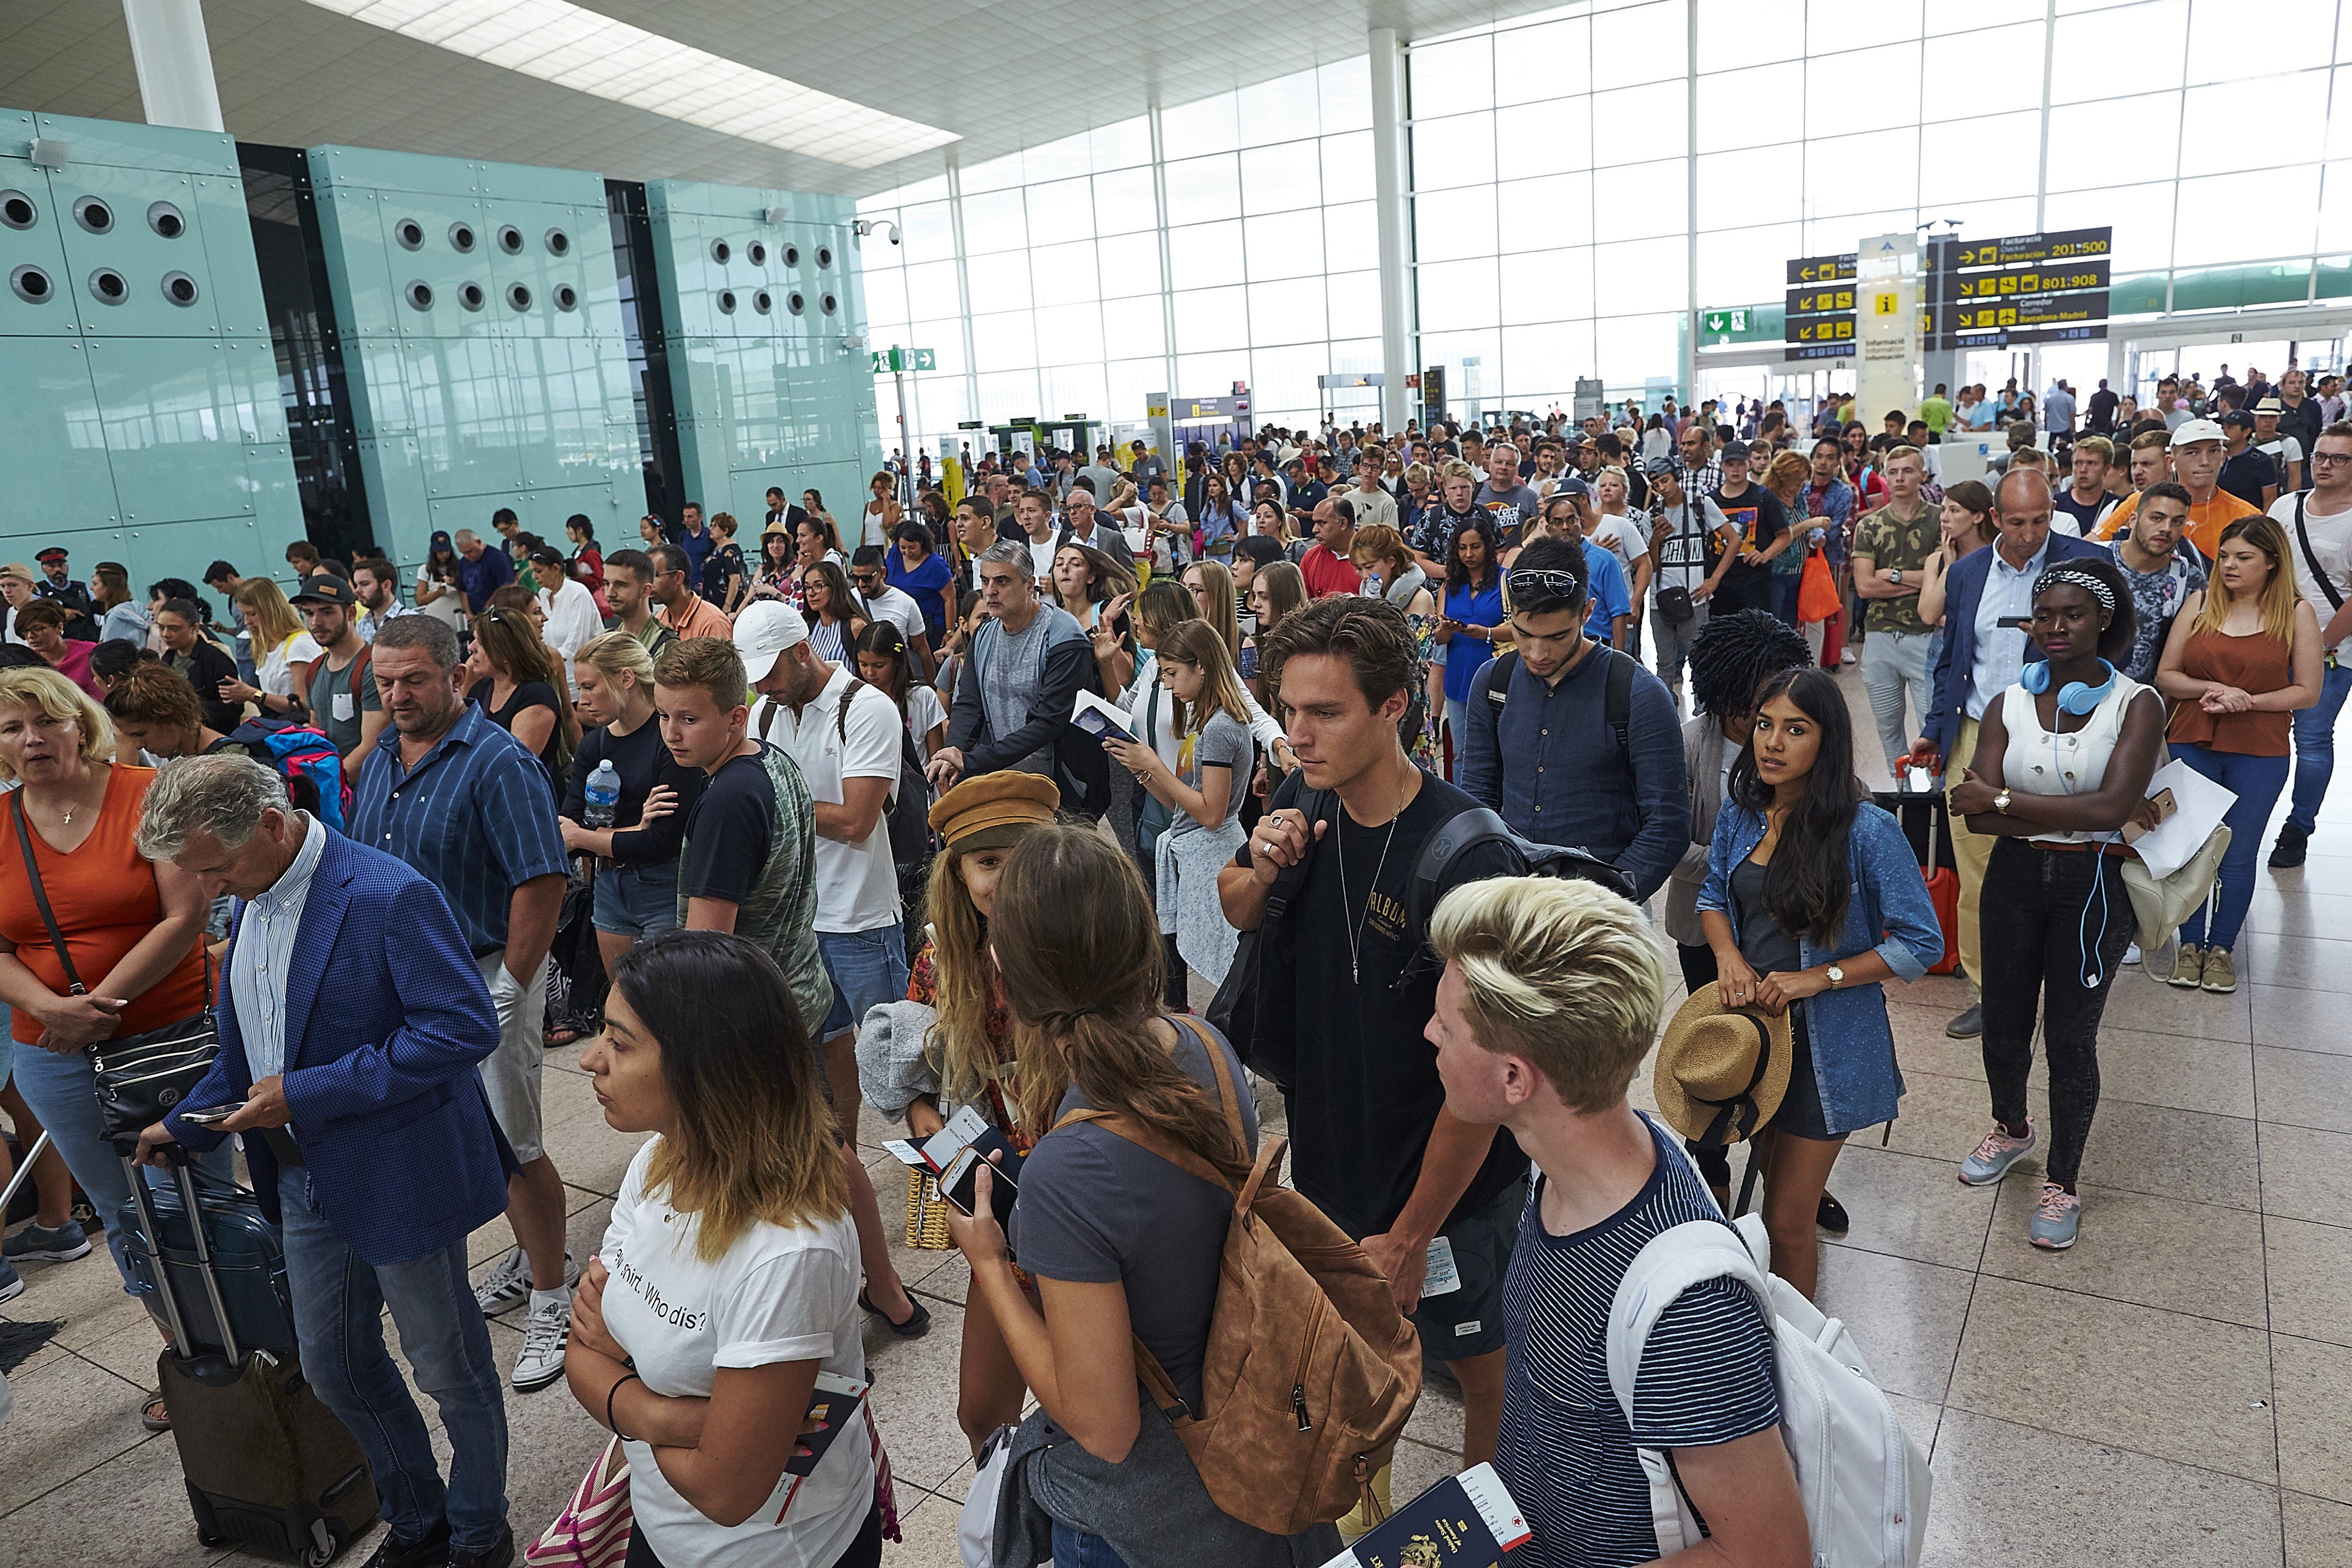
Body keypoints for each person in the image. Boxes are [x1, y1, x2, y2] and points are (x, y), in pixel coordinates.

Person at [132, 755, 517, 1568]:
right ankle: (419, 1518)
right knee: (337, 1368)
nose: (208, 890)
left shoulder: (387, 893)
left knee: (449, 1367)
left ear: (272, 824)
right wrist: (189, 1122)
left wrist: (304, 1092)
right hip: (300, 1173)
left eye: (218, 867)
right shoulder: (257, 896)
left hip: (398, 1169)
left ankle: (482, 1528)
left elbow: (460, 1028)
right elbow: (260, 1040)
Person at [949, 824, 1339, 1568]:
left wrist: (994, 1267)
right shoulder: (1207, 1047)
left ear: (1007, 968)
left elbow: (1105, 1428)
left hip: (1145, 1521)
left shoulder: (1066, 1170)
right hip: (1260, 1450)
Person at [1216, 597, 1527, 1474]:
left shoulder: (1468, 856)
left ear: (1394, 707)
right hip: (1331, 1154)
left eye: (1325, 711)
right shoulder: (1298, 798)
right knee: (1354, 1352)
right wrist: (1261, 858)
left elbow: (1488, 1080)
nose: (1298, 734)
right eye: (1288, 710)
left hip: (1443, 1184)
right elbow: (1237, 908)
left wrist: (1413, 1230)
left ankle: (1491, 1525)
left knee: (1479, 1363)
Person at [1423, 876, 1810, 1568]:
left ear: (1516, 1078)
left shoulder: (1689, 1311)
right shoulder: (1571, 1167)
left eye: (1447, 1027)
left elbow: (1768, 1556)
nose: (1430, 1035)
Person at [567, 931, 883, 1568]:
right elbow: (580, 1349)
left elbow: (727, 1489)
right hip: (660, 1528)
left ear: (706, 1068)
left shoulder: (789, 1251)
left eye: (620, 1044)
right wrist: (672, 1418)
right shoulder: (658, 1160)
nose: (590, 1060)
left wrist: (621, 1380)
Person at [350, 614, 575, 1391]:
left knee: (513, 1143)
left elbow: (541, 881)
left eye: (413, 678)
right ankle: (529, 1257)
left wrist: (512, 988)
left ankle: (556, 1296)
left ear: (457, 675)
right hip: (408, 981)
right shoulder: (384, 754)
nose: (396, 693)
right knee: (454, 1138)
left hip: (483, 975)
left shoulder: (499, 760)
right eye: (384, 679)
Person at [0, 669, 227, 1429]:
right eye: (11, 727)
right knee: (124, 1211)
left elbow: (186, 910)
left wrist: (100, 1005)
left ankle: (249, 1341)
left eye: (45, 720)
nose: (31, 738)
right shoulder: (0, 821)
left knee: (195, 1200)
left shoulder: (147, 792)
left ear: (80, 721)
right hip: (51, 1048)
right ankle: (190, 1354)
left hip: (167, 1035)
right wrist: (47, 1007)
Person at [1697, 668, 1943, 1296]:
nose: (1773, 743)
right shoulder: (1742, 811)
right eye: (1764, 726)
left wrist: (1819, 977)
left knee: (1787, 1219)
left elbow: (1921, 943)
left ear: (1828, 740)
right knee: (1765, 1198)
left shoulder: (1867, 830)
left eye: (1795, 730)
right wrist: (1726, 954)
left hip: (1829, 1049)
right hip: (1755, 1038)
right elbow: (1712, 897)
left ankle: (1802, 1363)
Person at [1948, 561, 2168, 1249]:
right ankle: (2013, 1130)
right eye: (2044, 615)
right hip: (2014, 875)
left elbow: (2113, 807)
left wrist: (2009, 800)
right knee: (2005, 1023)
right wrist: (2052, 814)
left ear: (2104, 621)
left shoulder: (2138, 703)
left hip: (2095, 884)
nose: (2054, 627)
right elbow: (1972, 816)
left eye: (2072, 614)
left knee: (2072, 1038)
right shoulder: (2007, 702)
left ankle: (2064, 1181)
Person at [734, 603, 930, 1339]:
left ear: (798, 652)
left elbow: (855, 817)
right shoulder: (769, 710)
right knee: (826, 1056)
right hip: (797, 917)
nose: (767, 690)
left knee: (901, 1064)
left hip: (859, 915)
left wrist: (775, 804)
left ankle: (939, 1191)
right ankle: (844, 1171)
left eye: (772, 674)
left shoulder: (868, 706)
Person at [859, 773, 1056, 1451]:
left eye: (1024, 855)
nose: (1006, 878)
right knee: (981, 1414)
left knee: (1104, 1403)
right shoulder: (942, 958)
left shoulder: (1086, 942)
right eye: (988, 861)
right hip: (999, 1197)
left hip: (1088, 1199)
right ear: (959, 871)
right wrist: (925, 1124)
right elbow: (914, 1067)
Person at [1908, 469, 2108, 1040]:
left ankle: (2062, 984)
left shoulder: (2081, 564)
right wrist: (1933, 729)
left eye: (2040, 520)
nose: (2028, 535)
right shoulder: (1968, 571)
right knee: (1977, 870)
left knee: (2057, 860)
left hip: (2058, 731)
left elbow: (2115, 647)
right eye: (2017, 522)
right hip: (1975, 732)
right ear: (1993, 518)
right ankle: (1987, 991)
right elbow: (1951, 658)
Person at [1460, 537, 1688, 902]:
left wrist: (1601, 905)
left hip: (1604, 913)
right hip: (1510, 899)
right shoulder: (1492, 682)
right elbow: (1477, 799)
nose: (1537, 653)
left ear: (1587, 612)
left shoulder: (1638, 693)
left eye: (1556, 636)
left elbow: (1667, 827)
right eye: (1523, 633)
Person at [2153, 517, 2323, 993]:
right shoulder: (2200, 603)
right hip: (2193, 738)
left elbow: (2307, 691)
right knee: (2190, 847)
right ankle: (2188, 946)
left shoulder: (2296, 613)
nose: (2228, 565)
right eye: (2224, 555)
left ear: (2271, 562)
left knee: (2237, 852)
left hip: (2259, 747)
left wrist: (2247, 700)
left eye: (2242, 557)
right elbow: (2167, 675)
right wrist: (2212, 688)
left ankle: (2221, 948)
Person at [1104, 619, 1254, 1002]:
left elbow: (1211, 814)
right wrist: (1141, 771)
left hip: (1212, 857)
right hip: (1197, 853)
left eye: (1171, 673)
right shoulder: (1206, 722)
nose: (1167, 684)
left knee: (1221, 970)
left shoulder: (1220, 728)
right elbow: (1182, 804)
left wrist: (1153, 764)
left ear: (1201, 665)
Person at [926, 542, 1111, 820]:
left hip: (1063, 788)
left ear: (1029, 585)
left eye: (1002, 581)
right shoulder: (984, 636)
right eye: (986, 581)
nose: (990, 592)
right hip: (1006, 781)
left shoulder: (1065, 637)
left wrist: (970, 760)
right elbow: (968, 705)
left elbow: (1048, 723)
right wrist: (953, 751)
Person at [560, 631, 700, 975]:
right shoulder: (595, 745)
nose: (582, 701)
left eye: (591, 686)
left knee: (667, 1000)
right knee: (623, 996)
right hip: (609, 886)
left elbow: (659, 842)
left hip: (662, 885)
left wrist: (587, 837)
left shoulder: (669, 738)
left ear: (626, 678)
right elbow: (565, 831)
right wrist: (635, 827)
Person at [2269, 420, 2352, 869]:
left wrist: (2317, 646)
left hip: (2333, 651)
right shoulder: (2287, 505)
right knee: (2258, 733)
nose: (2326, 465)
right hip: (2270, 640)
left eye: (2340, 458)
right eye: (2321, 455)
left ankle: (2298, 828)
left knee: (2314, 739)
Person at [1851, 446, 1943, 777]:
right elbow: (1864, 587)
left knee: (1932, 725)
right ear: (1886, 476)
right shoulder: (1871, 526)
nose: (1900, 478)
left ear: (1923, 475)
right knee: (1888, 725)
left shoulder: (1940, 519)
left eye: (1908, 470)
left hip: (1927, 635)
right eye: (1894, 471)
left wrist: (1890, 574)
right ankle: (1899, 791)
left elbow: (1946, 579)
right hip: (1880, 636)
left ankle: (1936, 797)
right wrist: (1924, 581)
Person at [1645, 458, 1742, 711]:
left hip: (1695, 595)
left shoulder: (1701, 505)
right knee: (1664, 662)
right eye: (1656, 485)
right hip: (1660, 597)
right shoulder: (1653, 515)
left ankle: (1704, 712)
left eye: (1665, 481)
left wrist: (1715, 579)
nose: (1663, 488)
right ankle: (1664, 710)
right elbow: (1651, 564)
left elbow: (1734, 540)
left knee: (1700, 658)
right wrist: (1656, 540)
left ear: (1676, 477)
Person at [2104, 481, 2208, 685]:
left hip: (2150, 701)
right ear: (2133, 520)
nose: (2166, 529)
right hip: (2088, 693)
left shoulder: (2189, 579)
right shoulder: (2097, 558)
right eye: (2157, 518)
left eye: (2177, 522)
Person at [283, 573, 386, 772]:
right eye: (309, 613)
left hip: (367, 786)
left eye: (327, 612)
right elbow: (317, 728)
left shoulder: (373, 666)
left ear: (351, 613)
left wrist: (327, 785)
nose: (316, 622)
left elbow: (372, 746)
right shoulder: (314, 668)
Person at [467, 604, 569, 796]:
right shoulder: (480, 690)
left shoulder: (536, 696)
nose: (471, 648)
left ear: (503, 650)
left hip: (530, 799)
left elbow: (513, 768)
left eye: (479, 642)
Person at [1436, 514, 1509, 772]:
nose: (1468, 554)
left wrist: (1487, 633)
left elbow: (1522, 628)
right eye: (1462, 548)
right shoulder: (1450, 586)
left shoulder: (1506, 580)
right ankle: (1466, 808)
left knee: (1499, 750)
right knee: (1461, 753)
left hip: (1497, 676)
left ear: (1488, 547)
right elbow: (1438, 638)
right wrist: (1445, 630)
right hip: (1459, 677)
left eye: (1475, 547)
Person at [853, 620, 948, 772]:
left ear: (897, 661)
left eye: (879, 666)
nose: (870, 673)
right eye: (863, 664)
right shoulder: (855, 700)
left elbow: (936, 758)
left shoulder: (923, 697)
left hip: (919, 788)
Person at [223, 577, 323, 721]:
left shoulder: (300, 644)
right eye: (244, 615)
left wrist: (254, 695)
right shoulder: (265, 647)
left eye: (252, 614)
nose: (247, 622)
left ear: (271, 611)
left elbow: (304, 705)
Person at [1917, 479, 1998, 633]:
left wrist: (1948, 619)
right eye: (1943, 510)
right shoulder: (1936, 560)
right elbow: (1928, 616)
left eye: (1954, 511)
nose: (1944, 518)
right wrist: (1949, 567)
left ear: (1978, 517)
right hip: (1942, 645)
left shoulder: (1998, 558)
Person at [851, 546, 934, 679]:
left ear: (882, 574)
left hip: (898, 680)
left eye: (867, 578)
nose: (861, 584)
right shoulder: (850, 601)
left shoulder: (906, 603)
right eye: (855, 578)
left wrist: (933, 689)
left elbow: (922, 649)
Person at [530, 547, 603, 695]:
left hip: (583, 679)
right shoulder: (543, 594)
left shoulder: (578, 593)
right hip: (554, 677)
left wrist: (542, 662)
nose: (534, 577)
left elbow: (576, 645)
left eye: (539, 571)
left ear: (556, 569)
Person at [13, 601, 101, 699]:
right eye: (25, 631)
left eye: (38, 629)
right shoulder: (27, 662)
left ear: (59, 627)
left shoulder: (89, 653)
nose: (30, 636)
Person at [650, 542, 735, 642]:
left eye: (655, 575)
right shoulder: (659, 620)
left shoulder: (713, 623)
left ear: (678, 578)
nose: (648, 583)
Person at [887, 522, 955, 643]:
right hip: (902, 621)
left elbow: (950, 598)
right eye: (903, 548)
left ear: (922, 544)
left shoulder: (936, 565)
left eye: (912, 548)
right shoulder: (895, 553)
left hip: (930, 626)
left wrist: (949, 632)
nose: (907, 553)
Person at [604, 549, 676, 662]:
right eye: (607, 584)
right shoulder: (607, 640)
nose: (610, 593)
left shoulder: (665, 644)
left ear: (645, 591)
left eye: (621, 585)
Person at [800, 559, 870, 665]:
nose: (811, 593)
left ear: (835, 587)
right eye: (807, 587)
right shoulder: (810, 627)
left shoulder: (855, 626)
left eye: (818, 586)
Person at [415, 531, 470, 631]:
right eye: (440, 552)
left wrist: (455, 583)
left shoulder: (460, 566)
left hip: (459, 615)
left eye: (447, 551)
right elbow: (420, 600)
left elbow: (469, 590)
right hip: (436, 617)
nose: (444, 555)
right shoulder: (425, 570)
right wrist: (439, 593)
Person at [453, 528, 516, 613]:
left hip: (498, 611)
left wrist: (490, 606)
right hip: (476, 615)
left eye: (470, 551)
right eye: (464, 553)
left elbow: (507, 586)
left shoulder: (497, 559)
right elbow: (463, 590)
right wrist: (468, 613)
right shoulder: (464, 562)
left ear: (479, 542)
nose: (467, 556)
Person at [699, 512, 750, 615]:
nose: (710, 529)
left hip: (726, 605)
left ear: (725, 530)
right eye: (711, 525)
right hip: (713, 602)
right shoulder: (716, 549)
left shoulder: (730, 550)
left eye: (714, 526)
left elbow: (735, 579)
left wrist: (727, 606)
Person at [91, 562, 147, 646]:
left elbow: (110, 652)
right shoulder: (138, 607)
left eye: (95, 584)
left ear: (109, 587)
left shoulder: (115, 617)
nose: (91, 588)